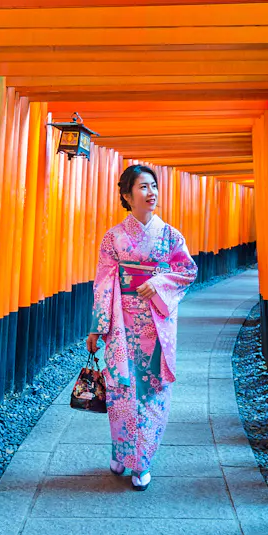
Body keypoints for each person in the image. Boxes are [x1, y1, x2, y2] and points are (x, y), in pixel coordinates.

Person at [86, 164, 198, 491]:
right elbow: (104, 283)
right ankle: (122, 450)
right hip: (122, 323)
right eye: (143, 187)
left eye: (154, 186)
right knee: (122, 389)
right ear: (126, 195)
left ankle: (143, 460)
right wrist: (97, 327)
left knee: (152, 392)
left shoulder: (170, 236)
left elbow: (187, 271)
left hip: (156, 324)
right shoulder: (114, 238)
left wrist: (159, 282)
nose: (152, 193)